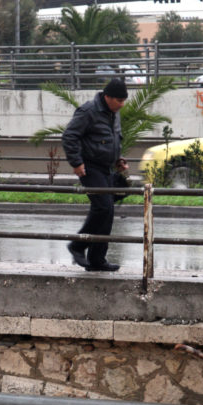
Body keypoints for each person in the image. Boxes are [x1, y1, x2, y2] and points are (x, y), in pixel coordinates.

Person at [61, 78, 129, 272]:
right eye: (119, 100)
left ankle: (97, 259)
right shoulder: (89, 111)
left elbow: (110, 140)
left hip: (107, 168)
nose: (122, 104)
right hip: (89, 167)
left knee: (107, 213)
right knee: (103, 208)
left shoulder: (113, 113)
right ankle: (77, 245)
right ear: (107, 97)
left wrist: (117, 159)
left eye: (124, 100)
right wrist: (76, 162)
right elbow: (70, 136)